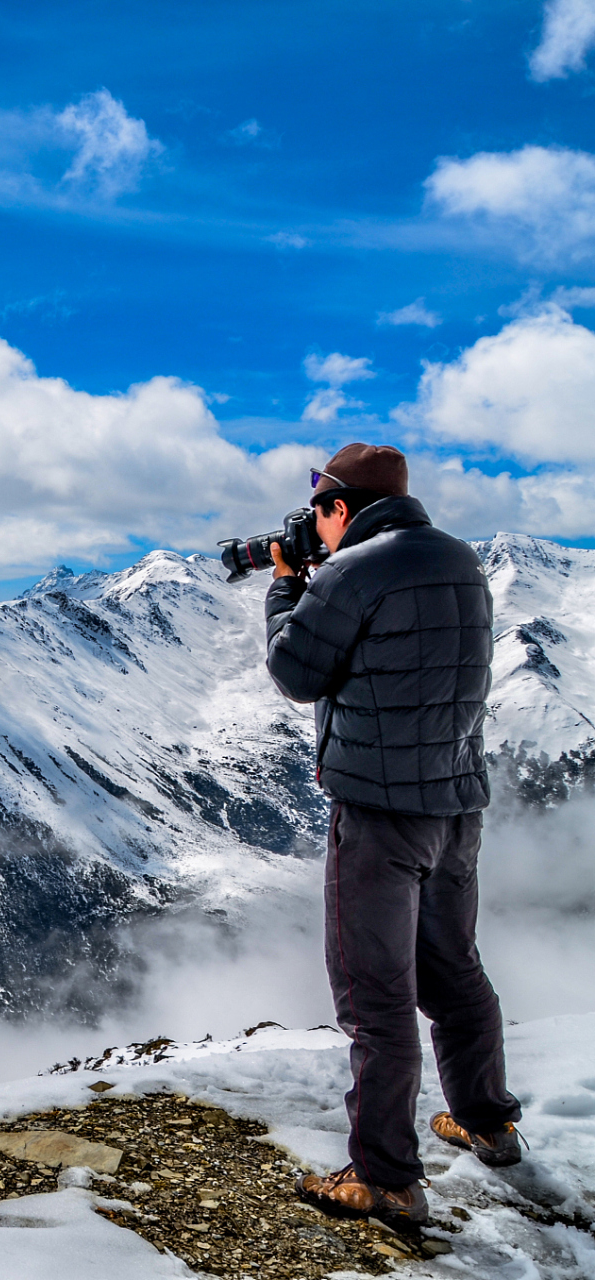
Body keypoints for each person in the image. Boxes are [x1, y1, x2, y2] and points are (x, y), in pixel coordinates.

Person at [262, 442, 522, 1236]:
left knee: (375, 1001)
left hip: (377, 816)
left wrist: (282, 586)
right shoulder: (458, 561)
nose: (313, 527)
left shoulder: (352, 570)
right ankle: (487, 1123)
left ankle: (383, 1178)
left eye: (317, 512)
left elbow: (295, 672)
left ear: (339, 508)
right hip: (455, 807)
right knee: (453, 972)